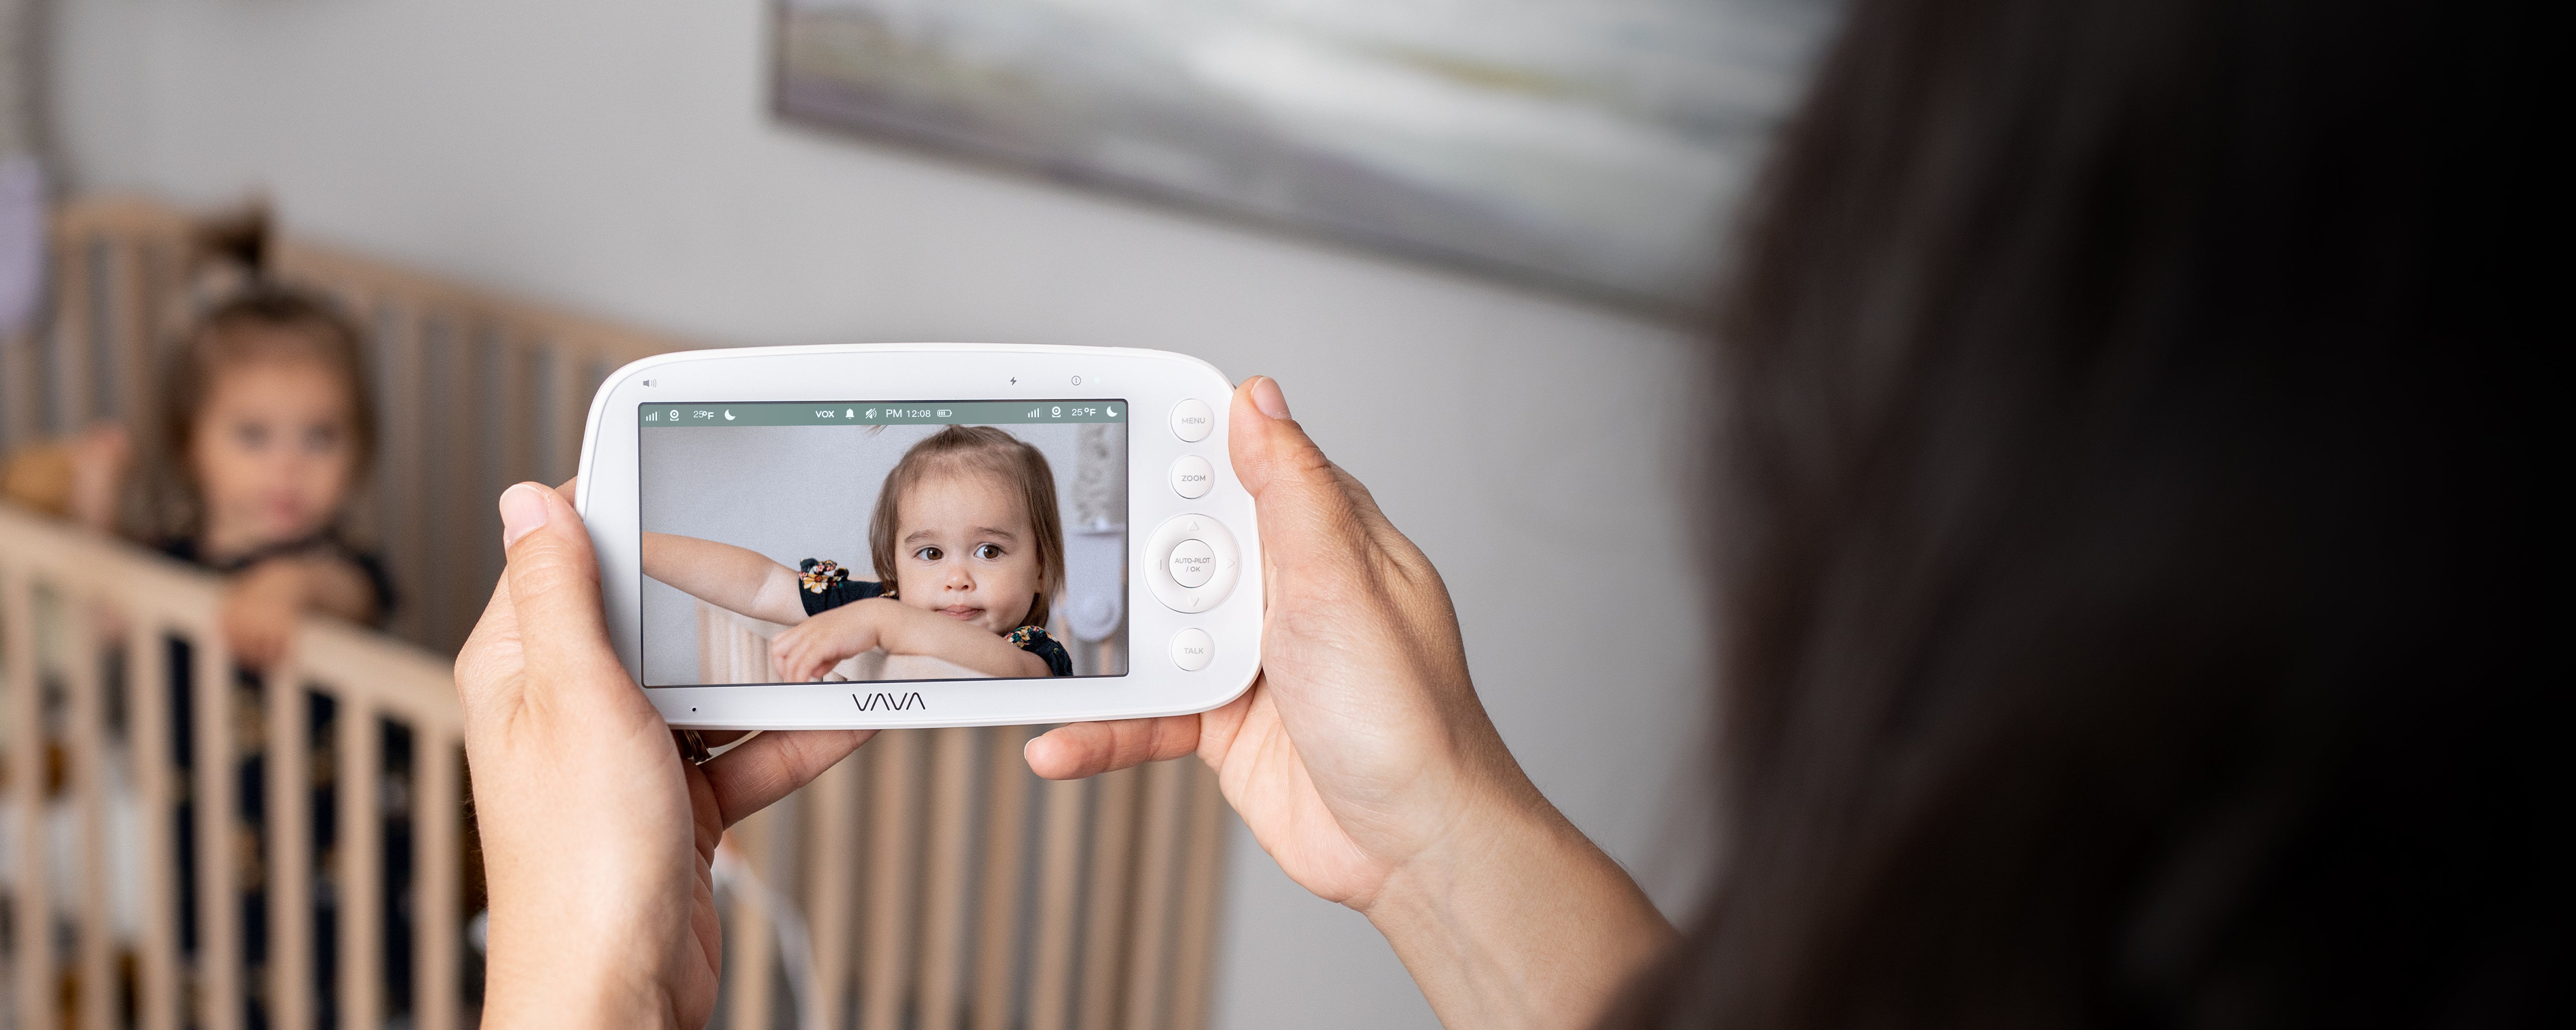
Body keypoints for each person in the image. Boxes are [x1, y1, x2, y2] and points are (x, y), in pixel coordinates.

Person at [455, 0, 2551, 1025]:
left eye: (991, 545)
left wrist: (592, 971)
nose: (954, 574)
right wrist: (1433, 823)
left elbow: (940, 647)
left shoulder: (1019, 646)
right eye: (929, 545)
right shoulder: (853, 588)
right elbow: (743, 573)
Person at [641, 424, 1074, 680]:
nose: (957, 578)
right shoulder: (879, 606)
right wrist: (633, 546)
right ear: (896, 565)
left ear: (1040, 568)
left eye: (989, 551)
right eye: (930, 554)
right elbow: (761, 587)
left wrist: (884, 624)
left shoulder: (1036, 655)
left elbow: (1013, 672)